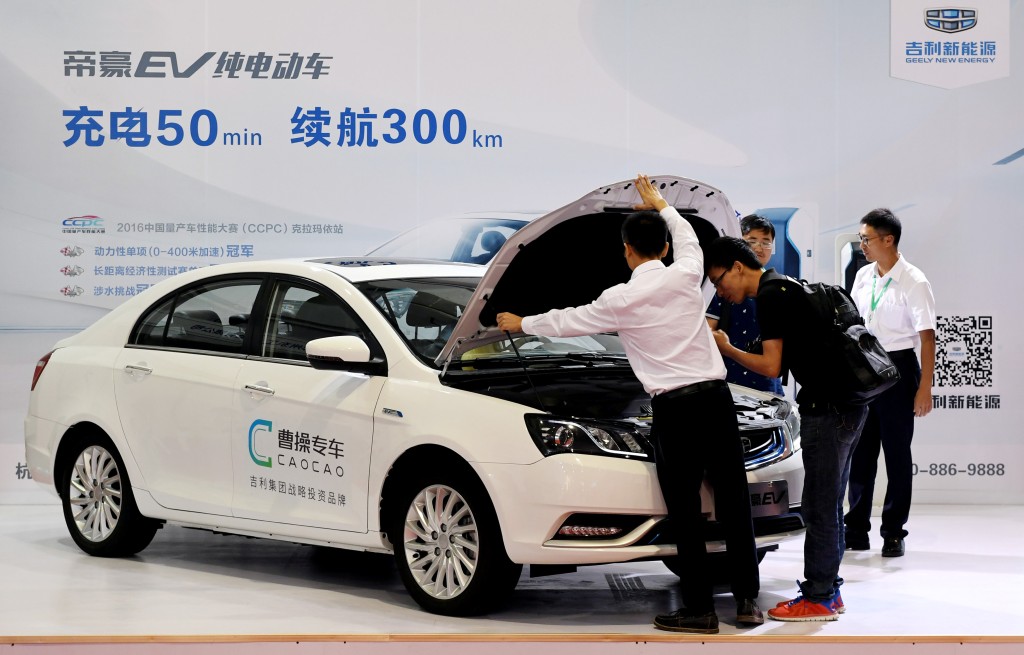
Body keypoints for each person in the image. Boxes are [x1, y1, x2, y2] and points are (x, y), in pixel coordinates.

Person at [496, 174, 761, 634]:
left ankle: (699, 610)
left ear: (627, 250)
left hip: (675, 409)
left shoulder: (620, 299)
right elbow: (686, 236)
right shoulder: (686, 273)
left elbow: (567, 322)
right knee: (734, 502)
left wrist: (521, 323)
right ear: (662, 250)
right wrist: (662, 205)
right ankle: (745, 603)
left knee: (686, 511)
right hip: (717, 401)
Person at [705, 236, 868, 622]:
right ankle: (829, 589)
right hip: (847, 404)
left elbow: (771, 367)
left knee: (819, 505)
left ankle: (819, 596)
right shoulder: (786, 285)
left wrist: (727, 349)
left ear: (737, 267)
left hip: (826, 408)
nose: (719, 290)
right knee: (828, 502)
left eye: (718, 280)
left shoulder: (771, 296)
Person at [844, 208, 935, 557]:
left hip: (898, 370)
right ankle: (856, 530)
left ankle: (894, 531)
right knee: (860, 453)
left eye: (866, 238)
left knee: (897, 455)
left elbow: (927, 338)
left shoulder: (914, 280)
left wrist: (924, 387)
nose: (862, 245)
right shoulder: (864, 275)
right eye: (861, 239)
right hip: (864, 368)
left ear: (888, 240)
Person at [706, 215, 784, 395]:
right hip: (730, 383)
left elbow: (772, 366)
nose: (758, 247)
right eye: (752, 241)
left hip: (767, 389)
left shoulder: (773, 293)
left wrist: (727, 349)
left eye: (766, 242)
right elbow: (708, 332)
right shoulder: (725, 289)